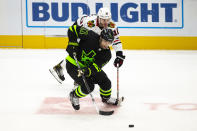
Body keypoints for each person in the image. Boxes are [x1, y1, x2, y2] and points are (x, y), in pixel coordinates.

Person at [49, 7, 125, 84]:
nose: (106, 22)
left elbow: (116, 40)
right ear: (99, 18)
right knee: (80, 53)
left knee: (94, 55)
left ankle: (76, 72)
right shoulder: (89, 23)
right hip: (79, 28)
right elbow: (78, 33)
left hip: (94, 35)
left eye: (108, 20)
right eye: (103, 20)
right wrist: (73, 44)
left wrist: (119, 54)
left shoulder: (112, 26)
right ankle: (64, 69)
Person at [66, 27, 118, 110]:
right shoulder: (89, 35)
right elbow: (73, 29)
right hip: (73, 65)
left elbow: (96, 67)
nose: (106, 44)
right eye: (105, 41)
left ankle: (106, 98)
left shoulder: (107, 54)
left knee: (106, 82)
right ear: (100, 37)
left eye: (109, 42)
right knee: (88, 87)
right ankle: (73, 95)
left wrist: (87, 70)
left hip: (87, 69)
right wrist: (72, 43)